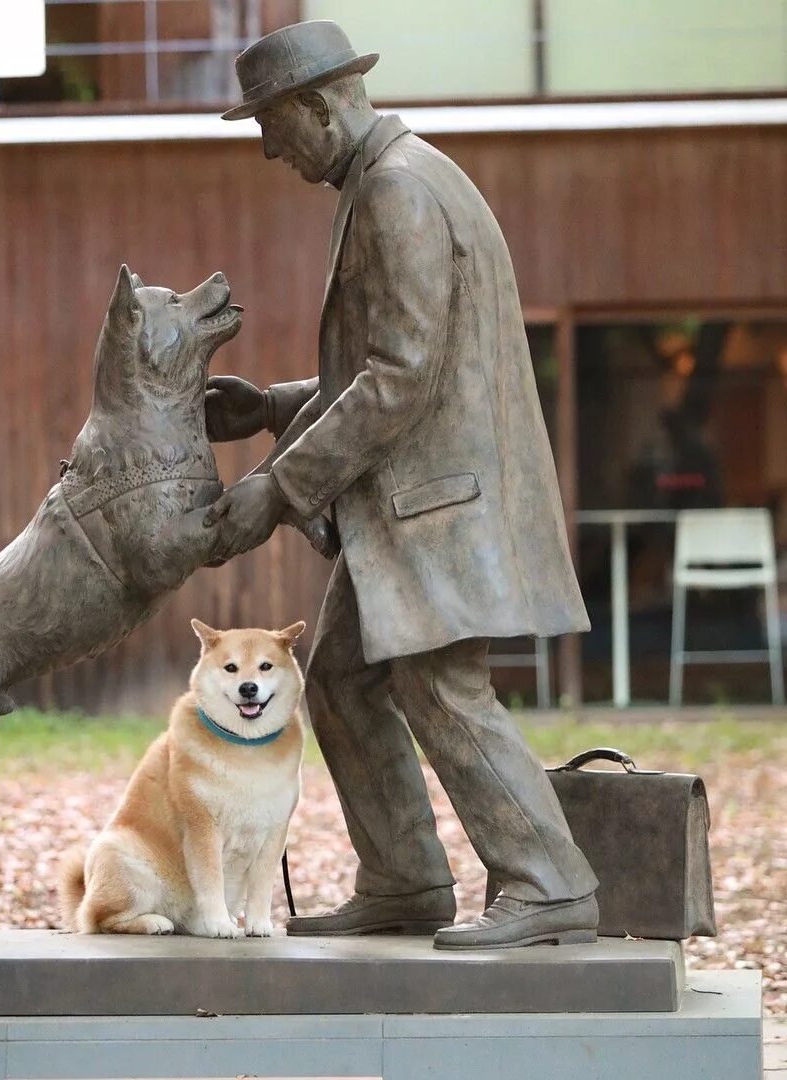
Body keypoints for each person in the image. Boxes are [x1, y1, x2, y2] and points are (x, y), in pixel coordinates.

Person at [203, 20, 599, 948]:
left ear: (317, 105)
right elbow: (390, 366)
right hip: (411, 509)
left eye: (272, 123)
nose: (269, 147)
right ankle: (406, 882)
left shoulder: (397, 190)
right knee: (339, 680)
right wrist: (269, 405)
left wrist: (277, 486)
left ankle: (551, 882)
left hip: (432, 510)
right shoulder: (396, 178)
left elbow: (399, 379)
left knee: (439, 688)